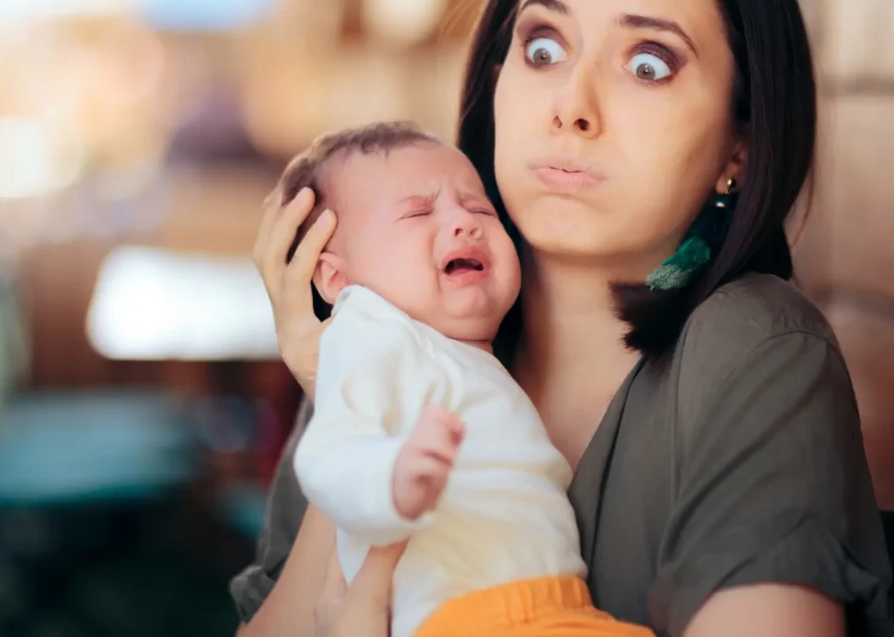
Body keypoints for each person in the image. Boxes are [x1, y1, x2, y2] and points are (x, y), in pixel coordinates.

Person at [234, 0, 894, 637]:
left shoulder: (756, 350)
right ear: (497, 81)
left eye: (649, 64)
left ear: (739, 149)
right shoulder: (390, 319)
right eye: (542, 48)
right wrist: (347, 391)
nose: (571, 106)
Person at [278, 122, 653, 637]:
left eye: (481, 209)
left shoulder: (466, 355)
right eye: (418, 212)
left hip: (560, 607)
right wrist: (392, 480)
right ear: (338, 279)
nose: (464, 223)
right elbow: (328, 452)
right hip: (464, 617)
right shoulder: (370, 329)